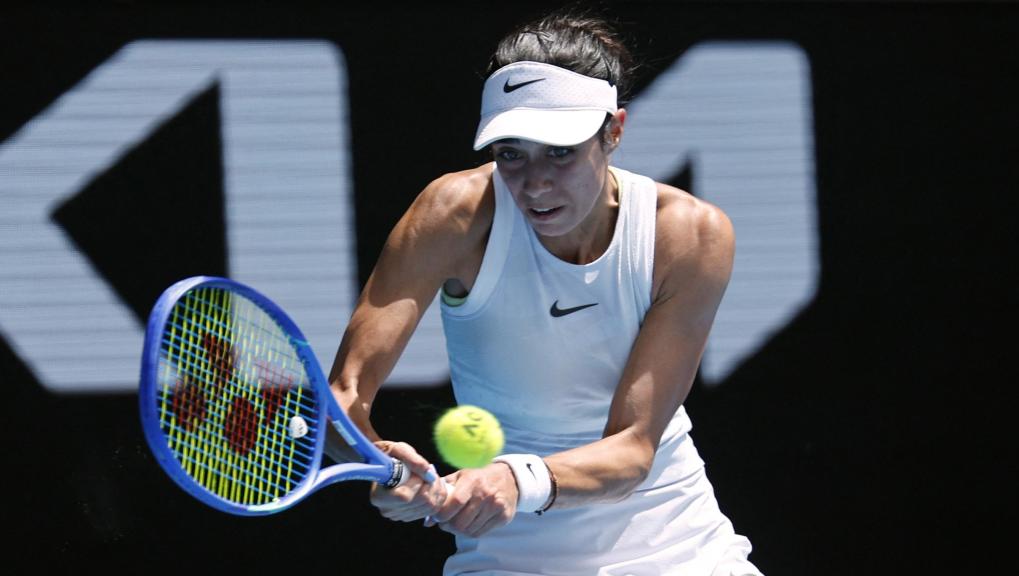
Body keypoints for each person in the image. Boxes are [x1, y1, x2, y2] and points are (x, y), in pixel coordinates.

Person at [327, 9, 763, 576]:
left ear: (615, 131)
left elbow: (632, 448)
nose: (534, 183)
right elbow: (344, 395)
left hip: (677, 542)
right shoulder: (453, 216)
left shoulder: (688, 235)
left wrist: (516, 477)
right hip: (508, 553)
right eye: (511, 153)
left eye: (560, 151)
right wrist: (376, 461)